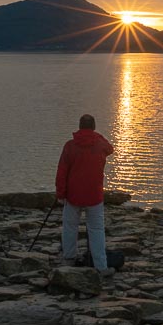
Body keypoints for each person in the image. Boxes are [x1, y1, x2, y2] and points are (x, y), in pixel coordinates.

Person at [55, 114, 114, 273]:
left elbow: (62, 172)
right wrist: (96, 135)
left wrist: (60, 194)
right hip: (94, 196)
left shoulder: (70, 146)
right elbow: (111, 148)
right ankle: (101, 266)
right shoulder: (100, 144)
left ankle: (69, 259)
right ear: (94, 127)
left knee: (70, 227)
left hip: (73, 195)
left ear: (80, 126)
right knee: (97, 230)